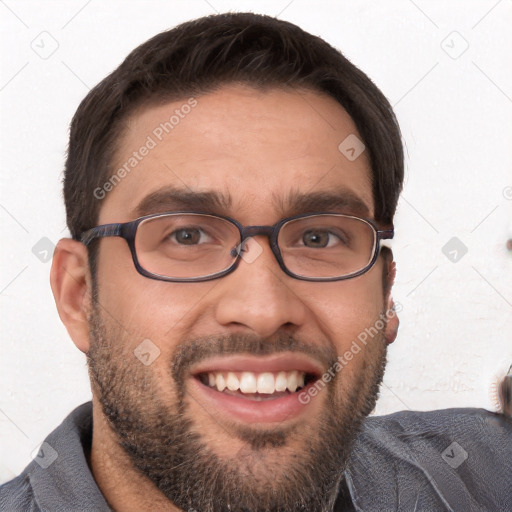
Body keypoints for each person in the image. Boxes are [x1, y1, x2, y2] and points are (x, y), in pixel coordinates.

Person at [1, 12, 510, 512]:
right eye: (187, 234)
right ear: (79, 296)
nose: (264, 309)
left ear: (385, 294)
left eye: (319, 236)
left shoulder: (488, 474)